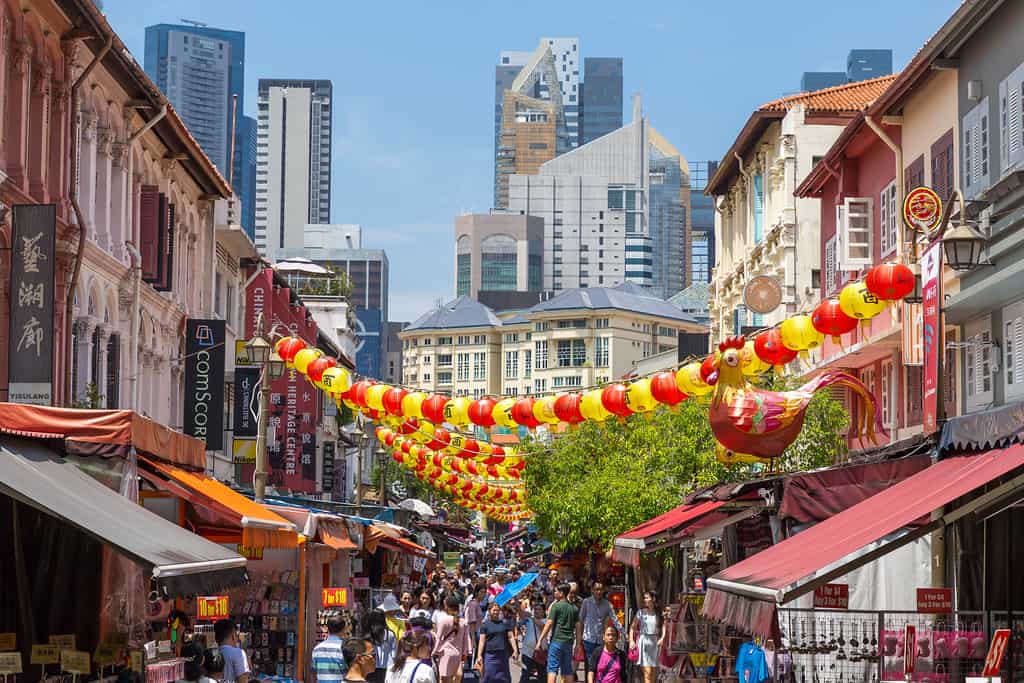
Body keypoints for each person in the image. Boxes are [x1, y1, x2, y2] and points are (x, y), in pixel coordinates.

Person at [536, 584, 579, 683]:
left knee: (552, 669)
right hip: (568, 642)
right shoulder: (574, 608)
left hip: (556, 641)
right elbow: (578, 627)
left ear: (562, 593)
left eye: (556, 591)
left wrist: (540, 639)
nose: (554, 593)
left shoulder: (556, 606)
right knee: (567, 670)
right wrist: (578, 644)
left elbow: (549, 623)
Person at [576, 583, 623, 665]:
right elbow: (580, 621)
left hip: (600, 640)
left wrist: (624, 632)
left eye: (601, 589)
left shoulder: (607, 604)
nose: (599, 592)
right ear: (592, 590)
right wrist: (579, 641)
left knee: (599, 665)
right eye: (596, 589)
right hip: (588, 640)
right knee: (590, 665)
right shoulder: (586, 602)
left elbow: (615, 620)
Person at [434, 595, 473, 683]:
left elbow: (438, 638)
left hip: (445, 654)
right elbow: (466, 639)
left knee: (444, 679)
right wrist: (466, 652)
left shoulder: (443, 620)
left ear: (446, 606)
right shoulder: (463, 622)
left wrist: (434, 652)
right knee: (456, 678)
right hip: (458, 655)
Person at [476, 601, 518, 683]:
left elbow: (511, 637)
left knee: (504, 677)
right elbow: (482, 641)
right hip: (490, 655)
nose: (496, 612)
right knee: (488, 676)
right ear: (489, 611)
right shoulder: (485, 625)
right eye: (494, 610)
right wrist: (479, 655)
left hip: (503, 655)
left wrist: (515, 650)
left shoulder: (504, 623)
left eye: (497, 610)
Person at [629, 592, 666, 683]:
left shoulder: (659, 612)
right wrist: (631, 641)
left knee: (653, 673)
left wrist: (662, 638)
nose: (645, 600)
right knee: (647, 673)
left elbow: (664, 626)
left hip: (655, 643)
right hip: (644, 642)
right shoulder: (641, 612)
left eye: (647, 598)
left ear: (653, 599)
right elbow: (633, 627)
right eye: (644, 598)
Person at [313, 615, 350, 683]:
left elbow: (314, 670)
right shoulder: (344, 647)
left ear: (327, 628)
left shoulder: (317, 648)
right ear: (343, 629)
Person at [364, 609, 398, 683]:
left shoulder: (367, 635)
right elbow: (394, 655)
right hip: (387, 668)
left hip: (370, 670)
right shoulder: (390, 634)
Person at [214, 619, 251, 683]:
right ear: (233, 635)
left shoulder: (211, 654)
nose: (237, 639)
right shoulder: (238, 653)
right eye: (237, 635)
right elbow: (243, 680)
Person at [519, 602, 547, 683]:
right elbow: (520, 613)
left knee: (542, 675)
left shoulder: (546, 620)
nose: (536, 611)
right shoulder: (529, 619)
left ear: (543, 611)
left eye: (539, 609)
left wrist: (532, 617)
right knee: (525, 674)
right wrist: (516, 600)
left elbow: (542, 626)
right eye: (535, 609)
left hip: (540, 652)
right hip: (527, 652)